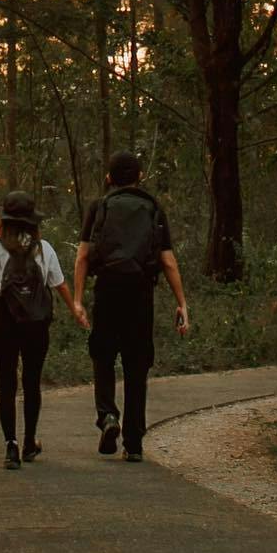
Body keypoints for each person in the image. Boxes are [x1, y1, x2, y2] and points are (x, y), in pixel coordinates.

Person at [72, 150, 189, 464]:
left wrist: (78, 299)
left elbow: (83, 256)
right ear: (140, 177)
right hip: (140, 293)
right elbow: (167, 260)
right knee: (137, 364)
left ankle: (108, 416)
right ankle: (134, 442)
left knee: (103, 355)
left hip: (108, 288)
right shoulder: (153, 207)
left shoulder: (99, 207)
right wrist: (182, 304)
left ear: (109, 178)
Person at [0, 190, 87, 469]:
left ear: (4, 220)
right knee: (32, 382)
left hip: (4, 322)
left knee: (7, 384)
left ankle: (10, 446)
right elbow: (59, 285)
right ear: (34, 222)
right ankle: (30, 442)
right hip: (36, 324)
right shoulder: (44, 248)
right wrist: (75, 310)